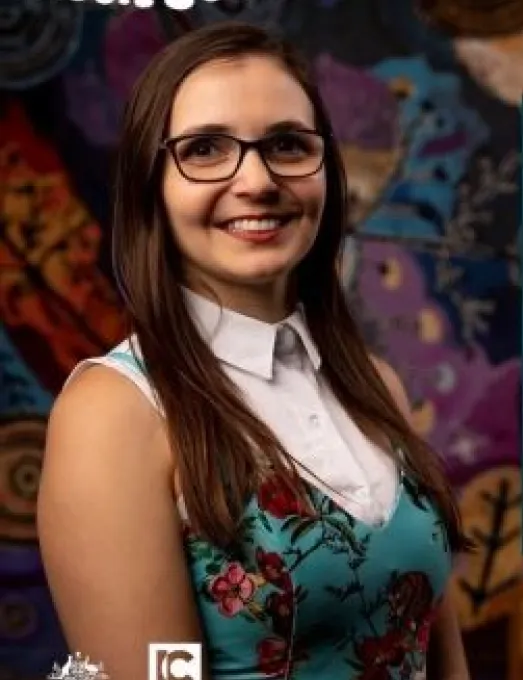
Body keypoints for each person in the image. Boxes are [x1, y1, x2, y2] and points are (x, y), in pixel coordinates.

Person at [37, 21, 471, 680]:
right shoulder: (116, 413)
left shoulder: (374, 383)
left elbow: (444, 655)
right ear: (151, 181)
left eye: (287, 145)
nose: (258, 180)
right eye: (206, 148)